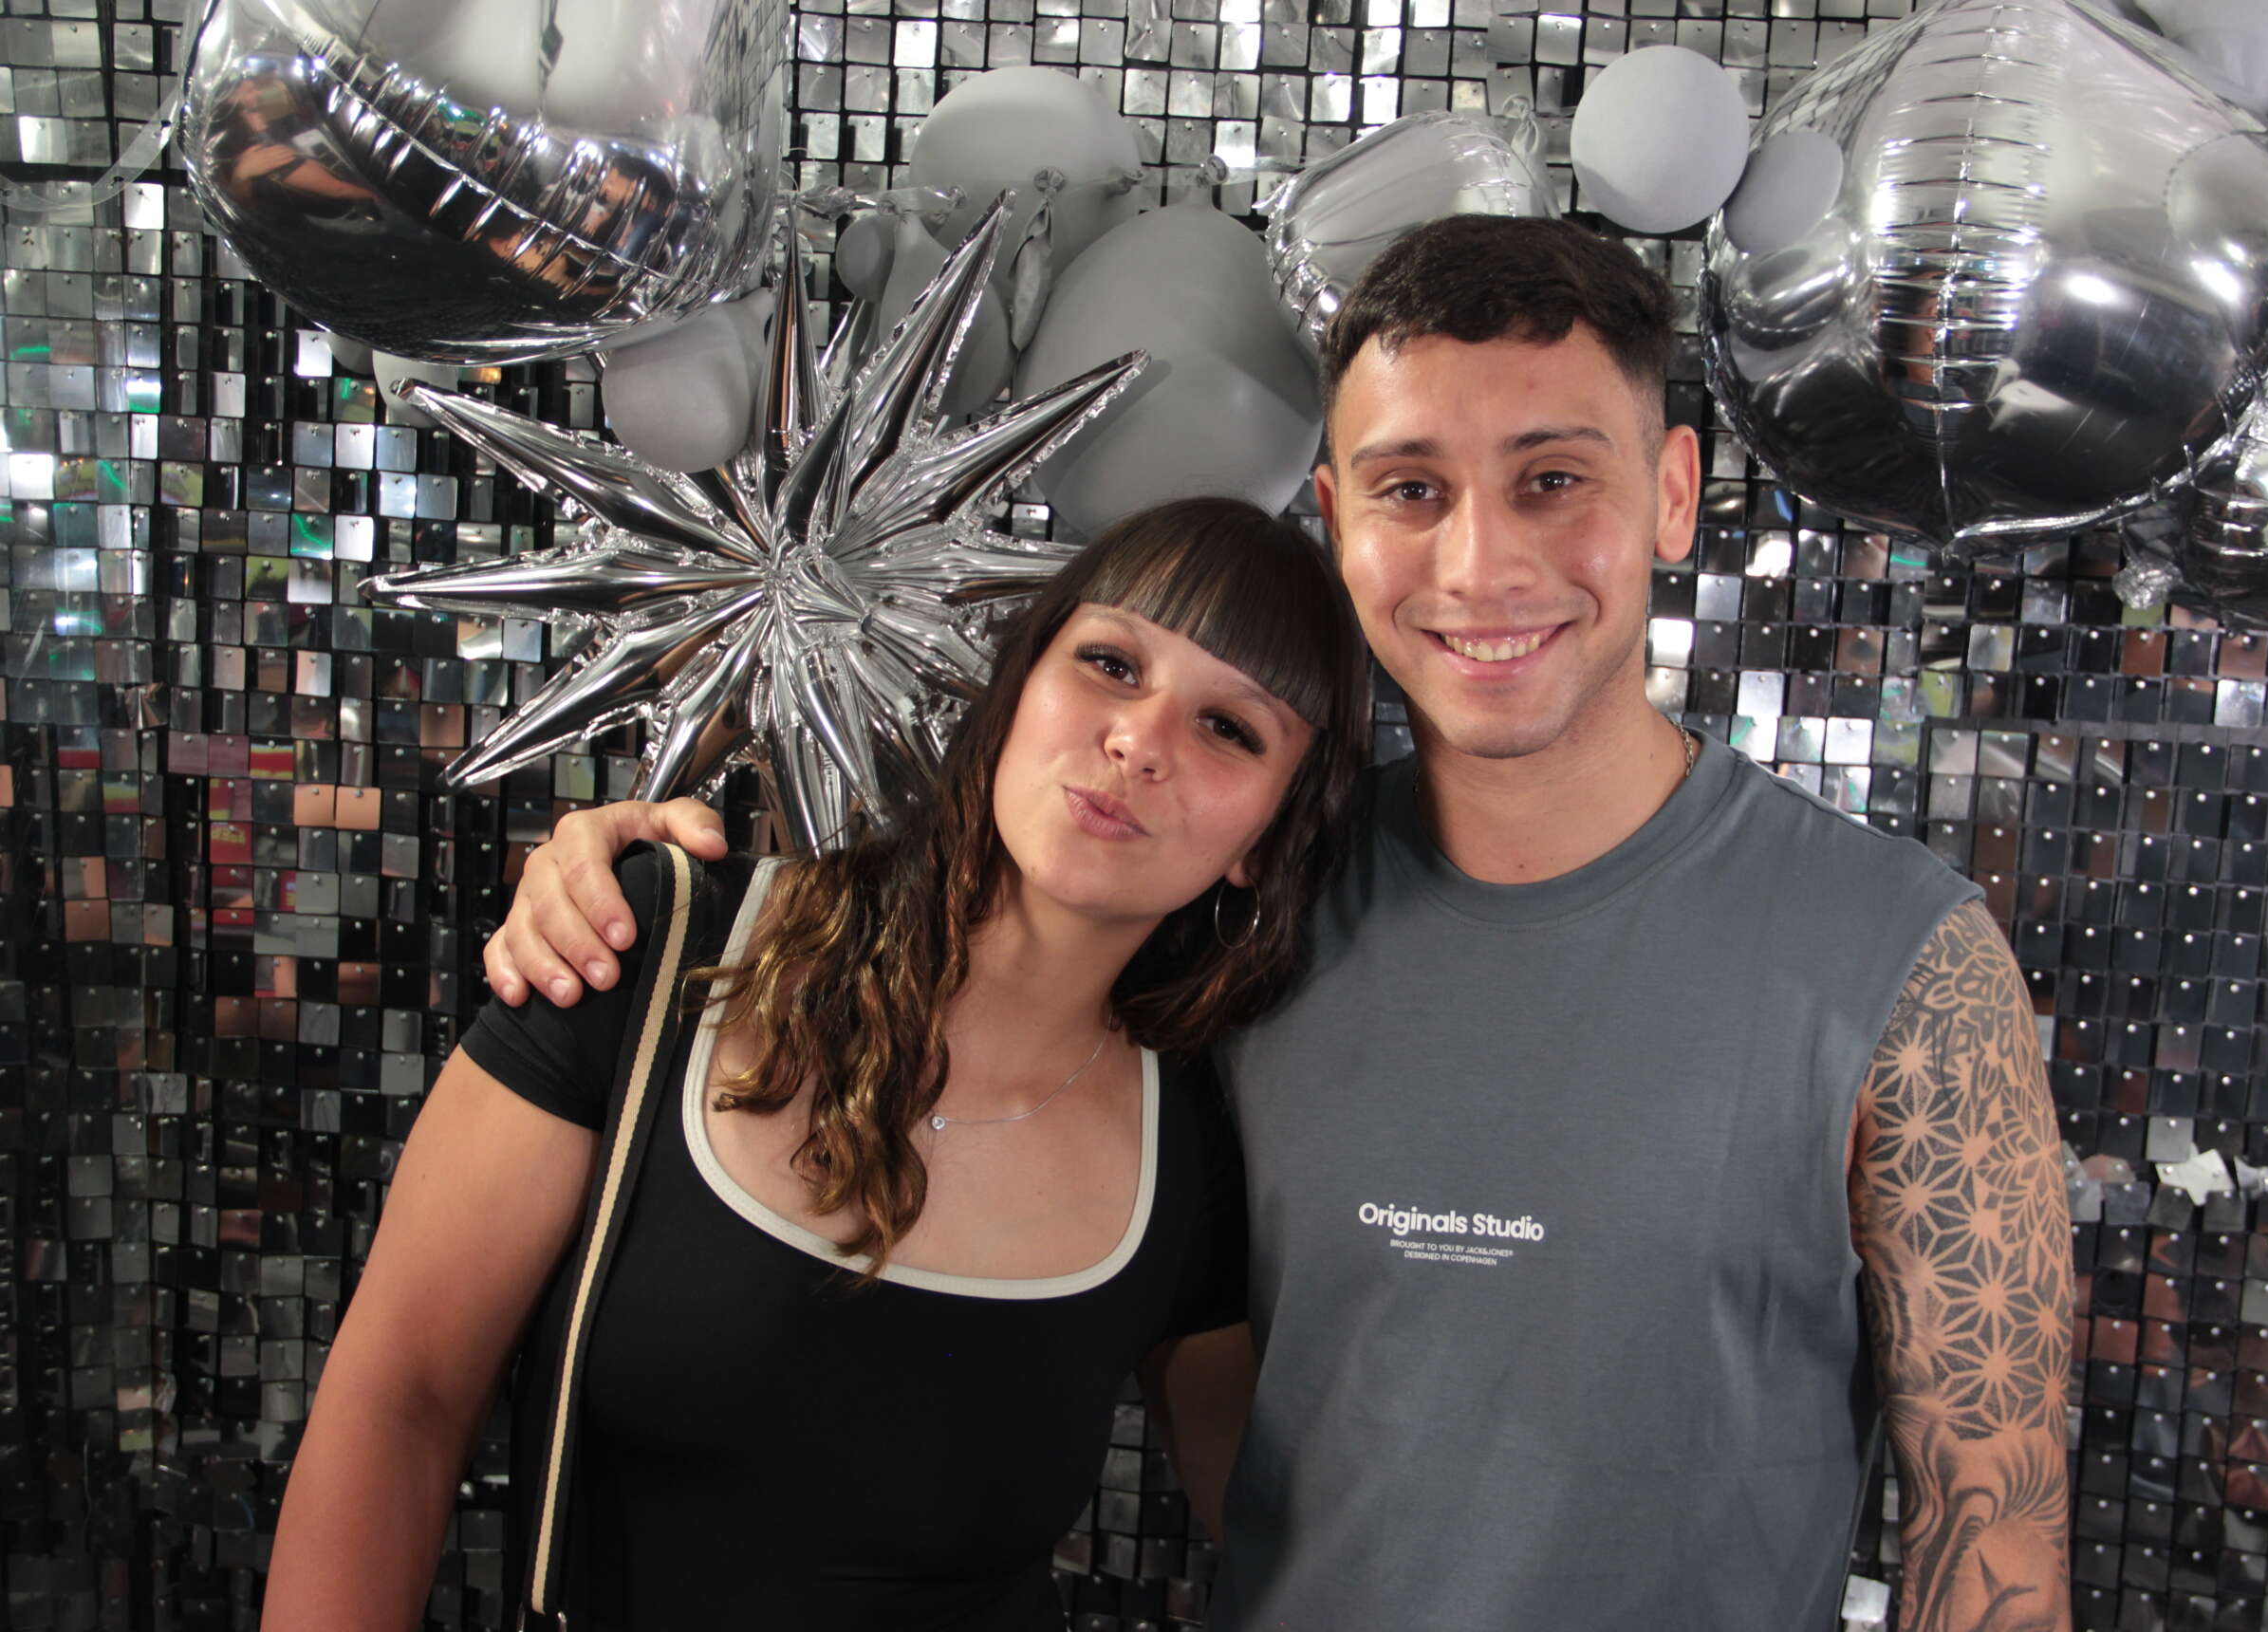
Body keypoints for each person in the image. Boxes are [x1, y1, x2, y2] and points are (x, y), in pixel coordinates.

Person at [485, 215, 2074, 1630]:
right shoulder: (1238, 904)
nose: (1479, 562)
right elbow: (975, 988)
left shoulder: (1903, 963)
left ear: (1670, 494)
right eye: (1411, 489)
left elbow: (1991, 1540)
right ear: (1336, 517)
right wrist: (627, 878)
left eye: (1552, 479)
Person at [260, 497, 1371, 1631]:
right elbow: (401, 1399)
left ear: (1269, 836)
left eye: (1230, 727)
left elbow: (1305, 1529)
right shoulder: (650, 945)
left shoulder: (1201, 1148)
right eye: (1111, 664)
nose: (1139, 741)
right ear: (1019, 683)